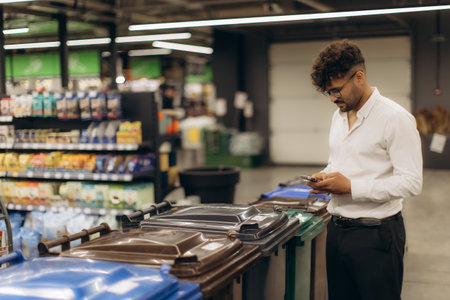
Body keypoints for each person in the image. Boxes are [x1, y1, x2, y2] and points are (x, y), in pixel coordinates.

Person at [308, 39, 423, 300]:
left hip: (376, 236)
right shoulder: (338, 116)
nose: (333, 98)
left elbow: (411, 182)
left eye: (337, 90)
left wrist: (351, 187)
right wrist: (326, 175)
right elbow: (339, 160)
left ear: (359, 77)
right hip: (336, 231)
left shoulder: (394, 119)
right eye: (328, 92)